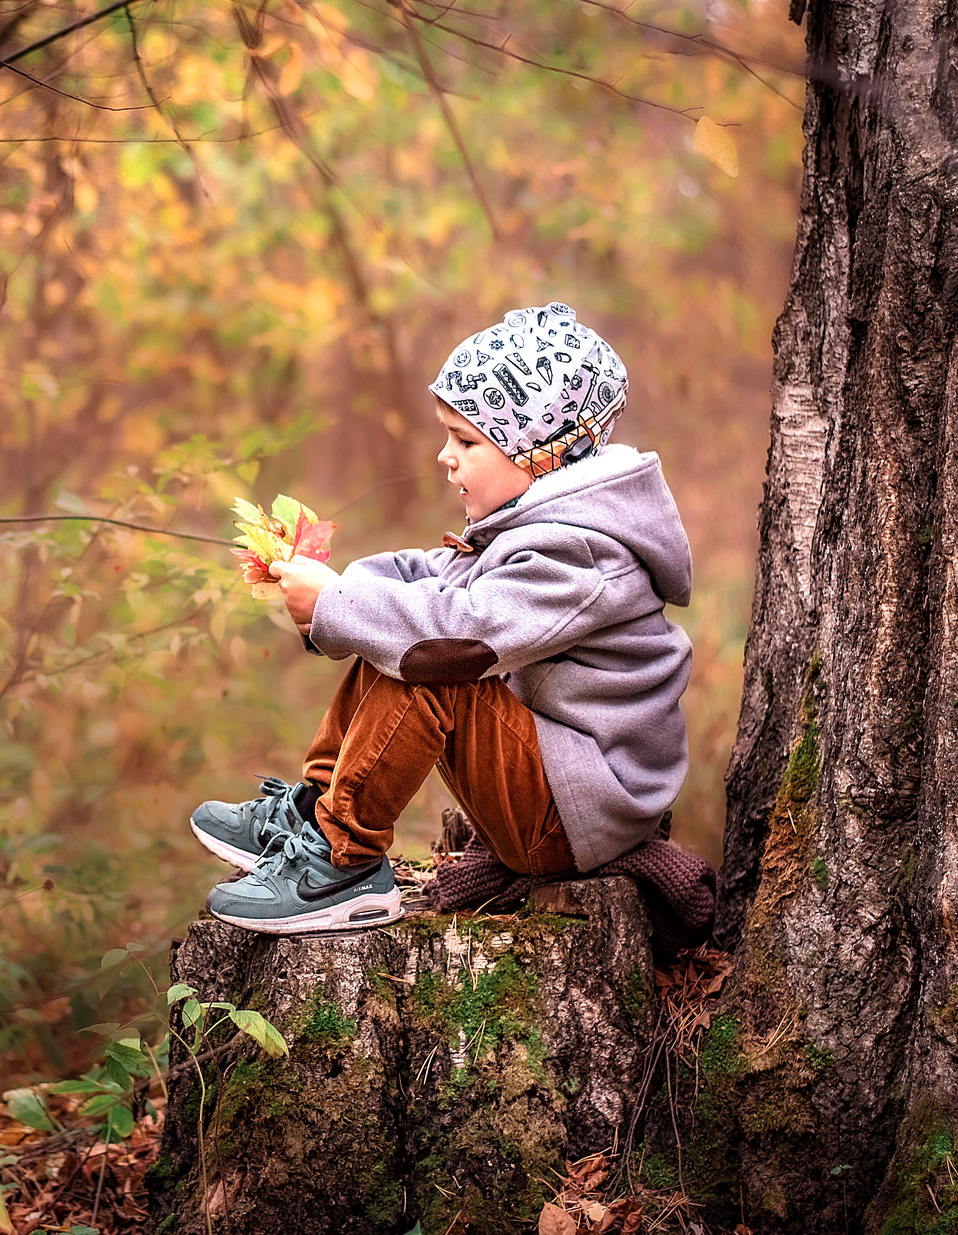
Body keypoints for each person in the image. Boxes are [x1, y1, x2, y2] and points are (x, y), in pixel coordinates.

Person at [190, 302, 717, 942]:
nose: (446, 457)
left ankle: (344, 862)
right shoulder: (541, 519)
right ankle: (315, 814)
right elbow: (429, 576)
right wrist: (340, 592)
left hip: (579, 812)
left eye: (466, 441)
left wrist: (339, 604)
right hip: (552, 779)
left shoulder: (582, 554)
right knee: (398, 638)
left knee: (435, 664)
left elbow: (456, 635)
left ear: (543, 457)